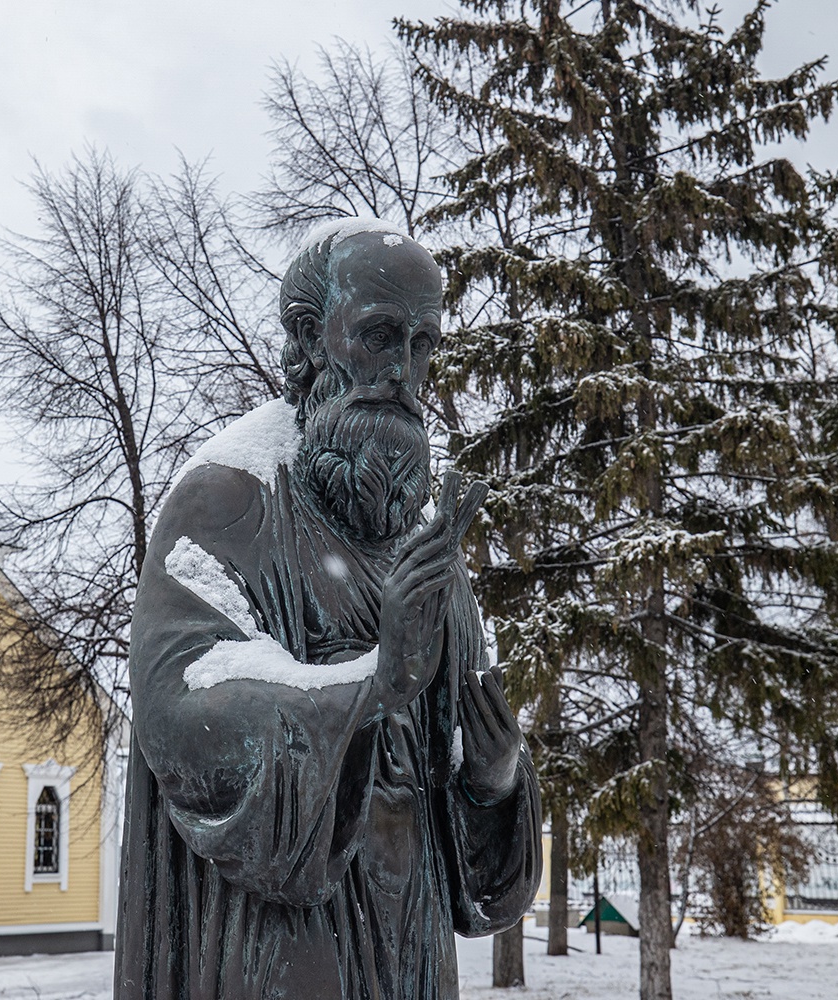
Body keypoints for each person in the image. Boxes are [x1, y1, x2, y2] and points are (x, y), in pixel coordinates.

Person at [115, 219, 541, 1000]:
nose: (404, 373)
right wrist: (372, 688)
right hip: (282, 947)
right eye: (380, 336)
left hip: (408, 942)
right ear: (310, 340)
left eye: (422, 347)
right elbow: (181, 714)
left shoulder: (427, 548)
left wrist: (495, 776)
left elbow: (477, 869)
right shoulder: (229, 500)